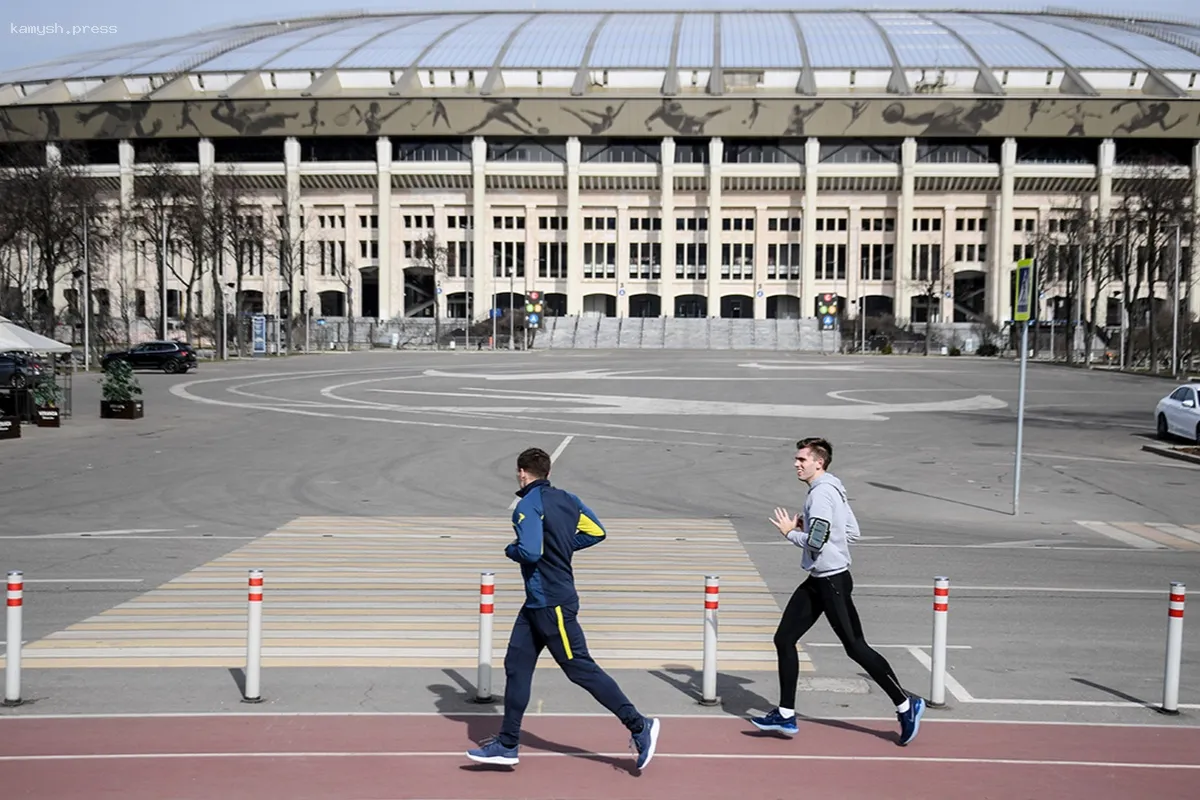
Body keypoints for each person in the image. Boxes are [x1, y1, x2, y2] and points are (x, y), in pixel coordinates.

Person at [467, 447, 661, 769]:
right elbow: (597, 532)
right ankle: (508, 743)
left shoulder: (526, 506)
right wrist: (565, 544)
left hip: (552, 605)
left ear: (521, 473)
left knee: (581, 669)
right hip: (536, 605)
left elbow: (529, 552)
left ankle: (640, 725)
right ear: (547, 472)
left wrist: (511, 550)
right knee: (516, 666)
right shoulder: (569, 499)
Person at [750, 437, 925, 745]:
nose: (796, 464)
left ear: (820, 462)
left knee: (856, 647)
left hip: (831, 582)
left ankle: (906, 704)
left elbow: (817, 542)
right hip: (819, 580)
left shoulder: (820, 495)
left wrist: (791, 533)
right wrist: (813, 530)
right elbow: (852, 532)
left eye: (802, 459)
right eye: (796, 459)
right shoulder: (834, 489)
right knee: (785, 639)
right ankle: (786, 715)